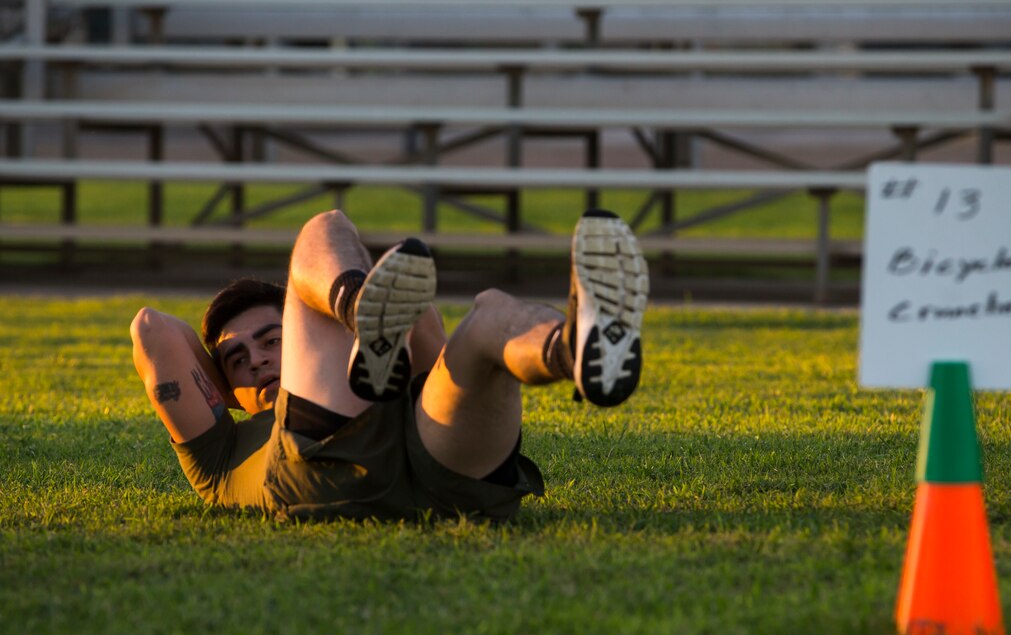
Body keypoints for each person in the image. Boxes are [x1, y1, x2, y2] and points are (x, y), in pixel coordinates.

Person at [130, 208, 648, 522]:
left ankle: (574, 351)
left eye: (271, 341)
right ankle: (359, 307)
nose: (258, 359)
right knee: (325, 226)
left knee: (489, 313)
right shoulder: (218, 453)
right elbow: (151, 329)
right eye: (236, 360)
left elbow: (432, 342)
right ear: (222, 386)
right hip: (319, 475)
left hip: (445, 471)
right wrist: (231, 388)